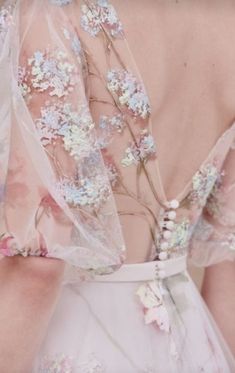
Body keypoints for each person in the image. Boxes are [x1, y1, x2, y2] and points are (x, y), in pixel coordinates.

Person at [0, 0, 235, 372]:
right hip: (190, 344)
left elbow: (36, 269)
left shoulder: (51, 11)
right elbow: (229, 271)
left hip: (65, 339)